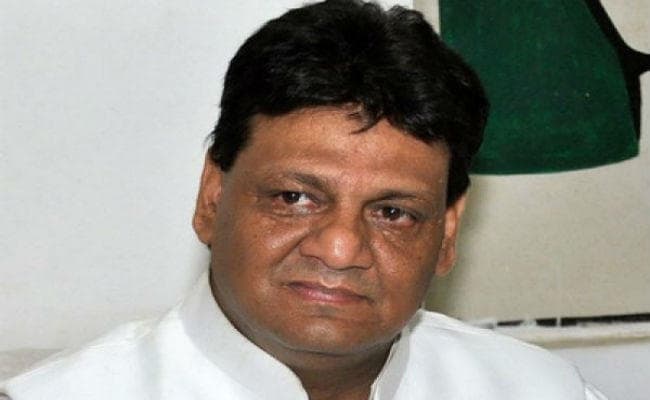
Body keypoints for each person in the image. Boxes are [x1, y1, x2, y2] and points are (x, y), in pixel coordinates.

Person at [1, 0, 607, 399]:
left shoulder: (539, 391)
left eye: (392, 213)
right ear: (212, 196)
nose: (341, 249)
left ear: (447, 233)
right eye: (295, 197)